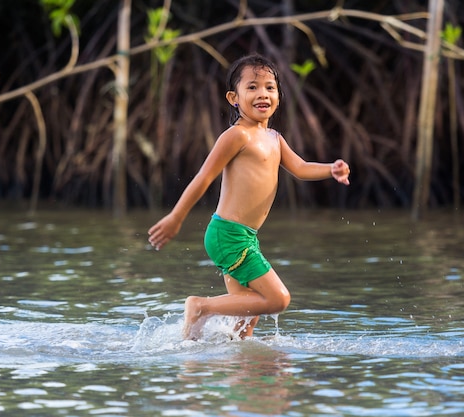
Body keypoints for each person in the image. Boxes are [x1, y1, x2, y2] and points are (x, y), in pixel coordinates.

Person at [147, 53, 350, 340]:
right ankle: (200, 307)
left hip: (243, 236)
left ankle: (206, 356)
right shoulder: (237, 136)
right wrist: (176, 217)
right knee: (278, 299)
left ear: (279, 95)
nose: (262, 94)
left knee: (247, 320)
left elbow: (301, 168)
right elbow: (204, 177)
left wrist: (331, 169)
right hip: (228, 235)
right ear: (234, 97)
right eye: (252, 87)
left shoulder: (275, 139)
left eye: (270, 87)